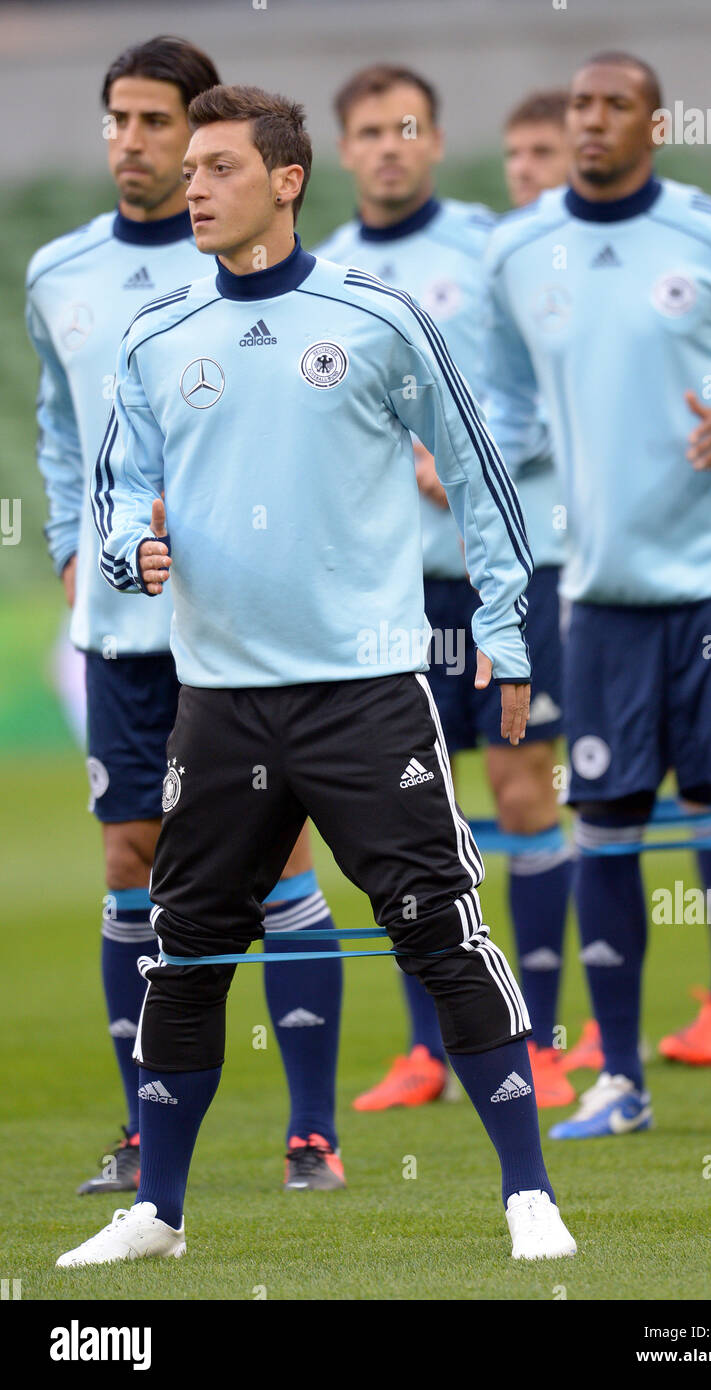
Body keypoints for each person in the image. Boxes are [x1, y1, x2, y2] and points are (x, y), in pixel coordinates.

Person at [56, 84, 576, 1266]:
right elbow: (116, 494)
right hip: (219, 702)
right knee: (183, 949)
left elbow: (477, 464)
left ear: (285, 181)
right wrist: (138, 551)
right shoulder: (157, 335)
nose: (193, 186)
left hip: (363, 690)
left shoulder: (378, 317)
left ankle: (527, 1194)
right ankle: (161, 1212)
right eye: (188, 168)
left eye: (220, 167)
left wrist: (503, 631)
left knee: (438, 926)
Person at [25, 35, 343, 1198]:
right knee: (130, 853)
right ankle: (144, 1129)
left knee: (279, 862)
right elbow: (63, 431)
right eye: (117, 119)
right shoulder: (58, 271)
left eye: (157, 122)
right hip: (123, 623)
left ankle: (313, 1131)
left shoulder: (261, 268)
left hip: (253, 627)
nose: (133, 143)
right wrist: (71, 543)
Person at [485, 51, 711, 1138]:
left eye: (611, 105)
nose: (589, 121)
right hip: (600, 588)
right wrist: (463, 455)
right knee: (608, 819)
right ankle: (617, 1079)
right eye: (577, 103)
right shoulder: (517, 250)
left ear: (654, 124)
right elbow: (502, 400)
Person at [316, 64, 581, 1112]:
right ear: (341, 152)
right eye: (368, 131)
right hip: (386, 597)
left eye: (405, 128)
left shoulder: (490, 246)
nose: (387, 145)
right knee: (409, 820)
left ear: (433, 141)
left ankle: (546, 1040)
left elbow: (561, 381)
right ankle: (431, 1049)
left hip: (499, 576)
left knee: (523, 793)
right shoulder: (321, 273)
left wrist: (477, 462)